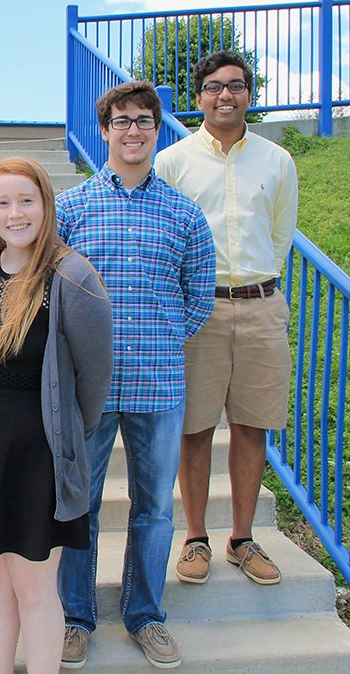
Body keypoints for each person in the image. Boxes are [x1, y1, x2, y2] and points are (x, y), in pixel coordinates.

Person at [56, 82, 216, 669]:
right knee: (79, 504)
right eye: (121, 121)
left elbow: (199, 294)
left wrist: (167, 335)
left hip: (158, 383)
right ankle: (75, 616)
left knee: (154, 509)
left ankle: (146, 616)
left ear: (157, 129)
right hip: (86, 389)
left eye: (144, 121)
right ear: (104, 131)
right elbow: (52, 296)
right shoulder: (70, 209)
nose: (133, 130)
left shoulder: (183, 212)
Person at [0, 157, 112, 673]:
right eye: (3, 203)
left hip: (35, 455)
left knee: (34, 589)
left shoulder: (72, 277)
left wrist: (61, 441)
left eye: (26, 200)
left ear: (46, 206)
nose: (15, 213)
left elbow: (94, 378)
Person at [155, 51, 298, 588]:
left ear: (248, 94)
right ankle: (195, 537)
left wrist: (259, 285)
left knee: (252, 425)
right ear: (198, 97)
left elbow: (280, 235)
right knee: (194, 430)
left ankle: (242, 538)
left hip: (261, 306)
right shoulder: (174, 162)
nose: (225, 96)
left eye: (236, 86)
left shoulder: (277, 160)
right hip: (200, 309)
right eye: (214, 87)